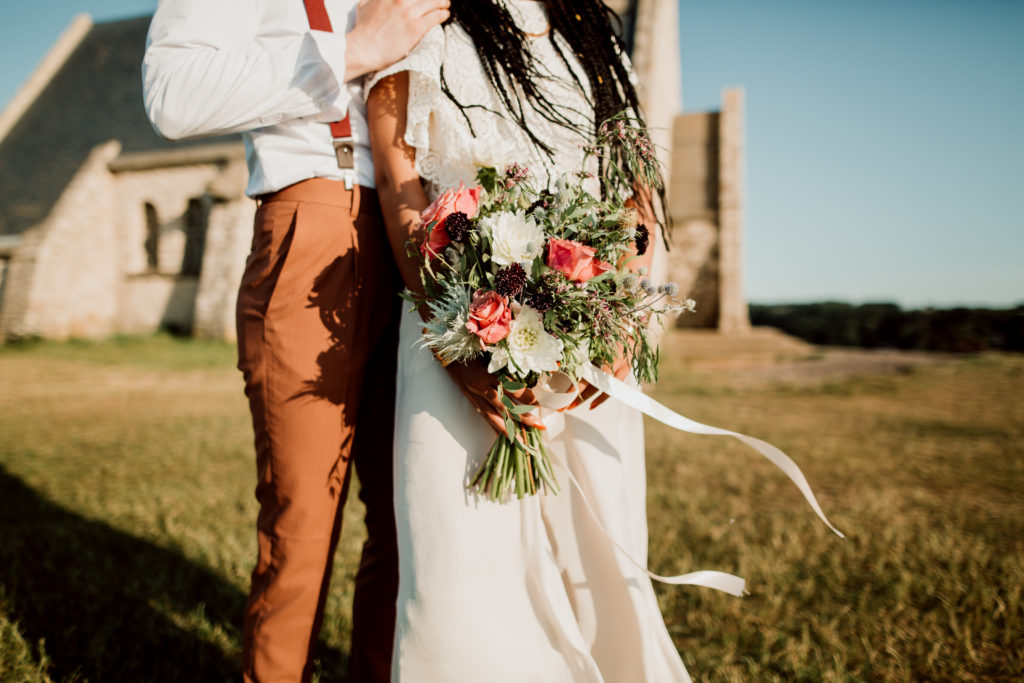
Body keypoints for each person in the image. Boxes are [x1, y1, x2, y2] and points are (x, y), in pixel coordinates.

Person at [366, 1, 691, 679]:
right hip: (453, 323)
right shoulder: (417, 11)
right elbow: (400, 185)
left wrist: (623, 314)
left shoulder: (591, 32)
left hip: (591, 333)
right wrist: (459, 346)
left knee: (599, 559)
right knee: (461, 563)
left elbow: (634, 189)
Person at [142, 0, 449, 680]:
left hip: (427, 233)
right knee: (305, 517)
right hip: (316, 219)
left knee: (411, 511)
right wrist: (349, 52)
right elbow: (169, 95)